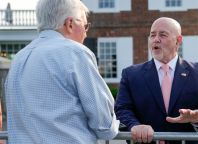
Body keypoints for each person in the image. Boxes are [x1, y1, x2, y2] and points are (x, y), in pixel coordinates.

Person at [5, 0, 119, 143]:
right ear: (70, 24)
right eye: (85, 26)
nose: (85, 33)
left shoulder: (18, 58)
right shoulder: (76, 53)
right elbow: (104, 126)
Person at [115, 17, 198, 144]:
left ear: (178, 40)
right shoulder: (131, 74)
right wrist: (134, 125)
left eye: (162, 35)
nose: (156, 39)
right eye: (152, 35)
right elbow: (121, 109)